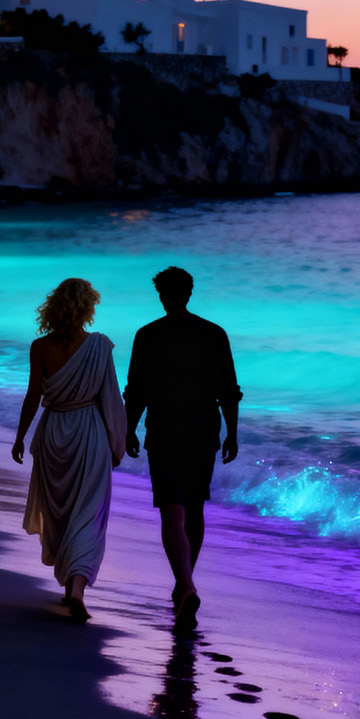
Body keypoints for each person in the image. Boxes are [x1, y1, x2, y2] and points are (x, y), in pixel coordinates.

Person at [124, 267, 241, 627]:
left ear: (161, 295)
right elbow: (229, 391)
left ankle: (185, 584)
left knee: (171, 512)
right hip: (203, 430)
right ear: (190, 294)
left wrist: (128, 429)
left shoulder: (147, 335)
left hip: (164, 431)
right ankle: (184, 583)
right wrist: (232, 434)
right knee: (195, 508)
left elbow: (135, 391)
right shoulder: (214, 334)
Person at [12, 278, 126, 623]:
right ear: (87, 308)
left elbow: (33, 396)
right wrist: (117, 441)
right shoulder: (99, 345)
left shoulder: (40, 346)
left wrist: (20, 437)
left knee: (60, 513)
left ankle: (69, 585)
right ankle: (76, 588)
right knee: (88, 513)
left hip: (54, 433)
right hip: (89, 434)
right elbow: (111, 398)